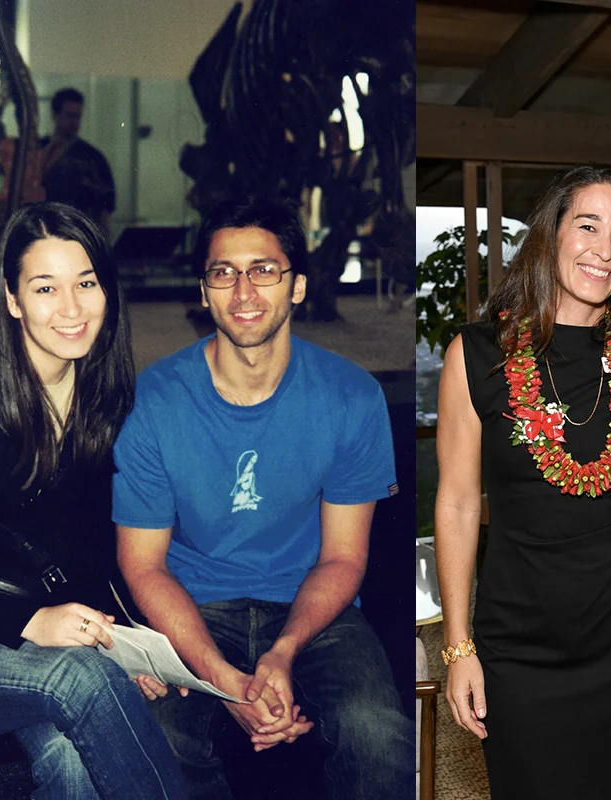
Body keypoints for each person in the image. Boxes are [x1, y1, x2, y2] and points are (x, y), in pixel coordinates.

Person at [112, 198, 414, 800]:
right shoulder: (154, 400)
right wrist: (224, 681)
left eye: (264, 270)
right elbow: (142, 563)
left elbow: (343, 559)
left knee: (378, 733)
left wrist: (283, 653)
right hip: (195, 608)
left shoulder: (351, 397)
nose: (244, 290)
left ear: (298, 286)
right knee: (155, 738)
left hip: (312, 608)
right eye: (224, 272)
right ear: (204, 291)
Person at [0, 202, 187, 798]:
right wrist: (29, 620)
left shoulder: (102, 395)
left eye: (86, 283)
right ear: (12, 299)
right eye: (46, 288)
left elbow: (85, 547)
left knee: (72, 754)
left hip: (26, 649)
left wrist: (126, 641)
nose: (71, 308)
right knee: (82, 680)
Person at [434, 165, 611, 798]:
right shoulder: (476, 353)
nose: (604, 249)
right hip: (519, 643)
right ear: (551, 234)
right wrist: (459, 648)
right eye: (588, 226)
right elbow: (457, 503)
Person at [39, 88, 116, 231]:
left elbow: (106, 204)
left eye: (77, 116)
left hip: (80, 231)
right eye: (69, 116)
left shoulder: (92, 157)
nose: (74, 122)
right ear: (54, 115)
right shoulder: (39, 149)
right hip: (45, 228)